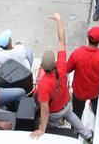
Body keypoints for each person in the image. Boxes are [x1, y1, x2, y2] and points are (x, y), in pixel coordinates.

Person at [31, 14, 93, 142]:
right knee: (72, 117)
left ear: (41, 66)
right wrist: (59, 20)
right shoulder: (61, 67)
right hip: (67, 104)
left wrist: (42, 129)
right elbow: (61, 41)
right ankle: (87, 135)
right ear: (54, 63)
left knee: (51, 127)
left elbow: (45, 109)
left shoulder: (43, 84)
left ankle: (55, 134)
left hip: (55, 112)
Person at [67, 27, 99, 120]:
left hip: (79, 91)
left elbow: (67, 69)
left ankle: (75, 130)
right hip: (94, 91)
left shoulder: (77, 53)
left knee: (77, 113)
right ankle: (96, 112)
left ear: (88, 37)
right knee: (95, 104)